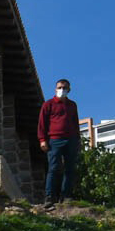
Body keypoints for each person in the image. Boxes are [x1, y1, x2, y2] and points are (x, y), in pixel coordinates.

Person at [37, 78, 80, 211]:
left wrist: (78, 141)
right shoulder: (48, 104)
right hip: (54, 140)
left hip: (71, 140)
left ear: (69, 90)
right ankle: (49, 196)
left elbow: (75, 123)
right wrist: (42, 140)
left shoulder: (72, 105)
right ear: (55, 89)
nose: (62, 90)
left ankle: (66, 196)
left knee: (70, 169)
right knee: (54, 168)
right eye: (60, 87)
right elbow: (42, 123)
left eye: (65, 88)